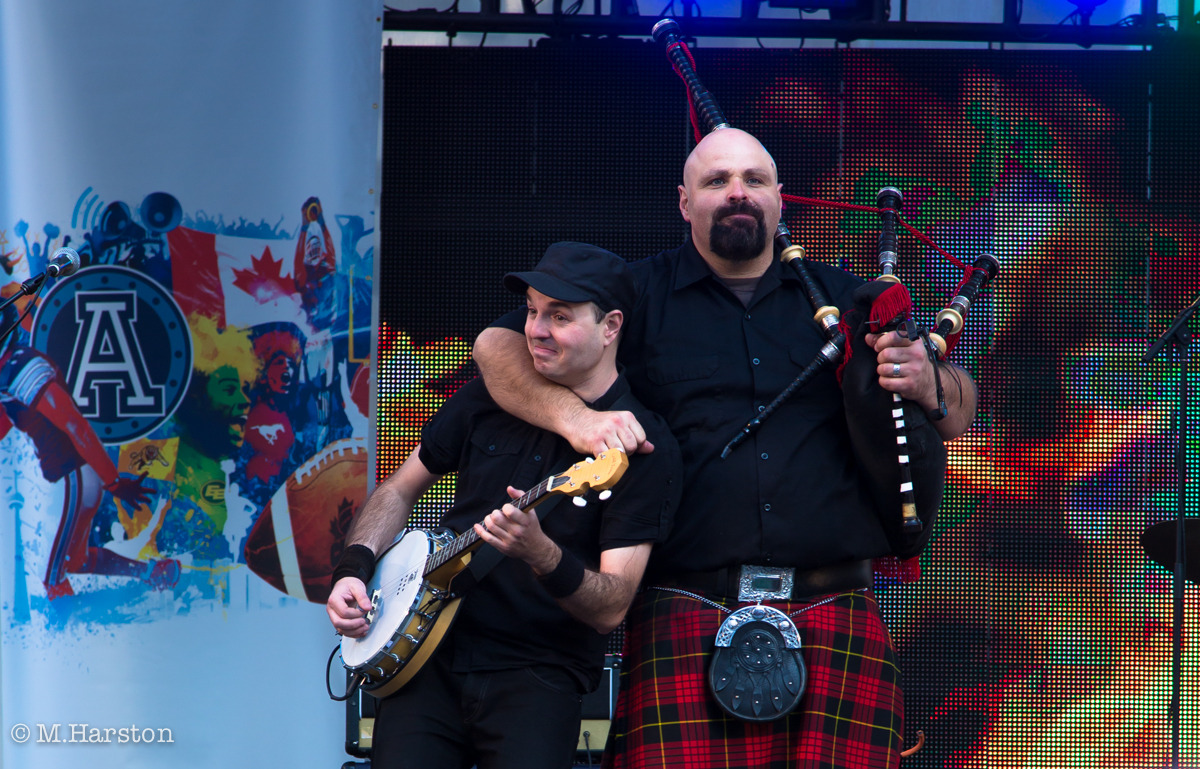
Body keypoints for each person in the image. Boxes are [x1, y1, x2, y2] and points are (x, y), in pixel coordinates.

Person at [472, 128, 978, 767]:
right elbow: (496, 348)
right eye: (717, 182)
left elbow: (958, 409)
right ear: (684, 202)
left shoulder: (842, 300)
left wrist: (932, 380)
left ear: (779, 200)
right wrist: (577, 421)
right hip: (683, 609)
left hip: (834, 611)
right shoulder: (632, 299)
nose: (738, 194)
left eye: (754, 180)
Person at [326, 242, 681, 769]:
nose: (535, 329)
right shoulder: (487, 397)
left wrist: (542, 554)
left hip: (536, 675)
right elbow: (399, 488)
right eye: (533, 310)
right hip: (426, 661)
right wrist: (353, 568)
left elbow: (612, 606)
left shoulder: (643, 445)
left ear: (611, 326)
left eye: (559, 316)